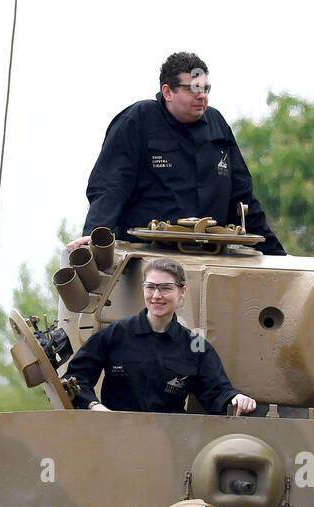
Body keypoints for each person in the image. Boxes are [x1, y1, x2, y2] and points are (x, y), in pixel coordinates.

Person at [75, 52, 285, 255]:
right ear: (168, 92)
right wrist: (96, 234)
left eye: (205, 89)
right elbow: (111, 186)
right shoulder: (139, 120)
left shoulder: (217, 126)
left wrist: (278, 257)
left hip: (212, 256)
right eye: (193, 89)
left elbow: (243, 198)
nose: (201, 96)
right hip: (148, 256)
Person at [67, 256, 257, 415]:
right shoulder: (115, 334)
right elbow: (77, 377)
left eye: (165, 288)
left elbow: (217, 392)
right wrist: (95, 406)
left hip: (171, 443)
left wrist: (235, 398)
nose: (156, 295)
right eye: (151, 287)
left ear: (182, 292)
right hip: (114, 436)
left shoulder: (196, 347)